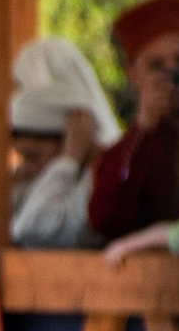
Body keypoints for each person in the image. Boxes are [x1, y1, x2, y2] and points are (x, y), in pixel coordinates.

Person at [88, 0, 179, 242]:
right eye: (156, 66)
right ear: (133, 74)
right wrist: (144, 126)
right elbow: (104, 220)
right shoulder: (131, 144)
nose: (172, 73)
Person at [10, 38, 120, 249]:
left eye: (33, 156)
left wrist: (68, 161)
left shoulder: (103, 172)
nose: (29, 166)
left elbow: (33, 228)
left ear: (73, 136)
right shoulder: (44, 175)